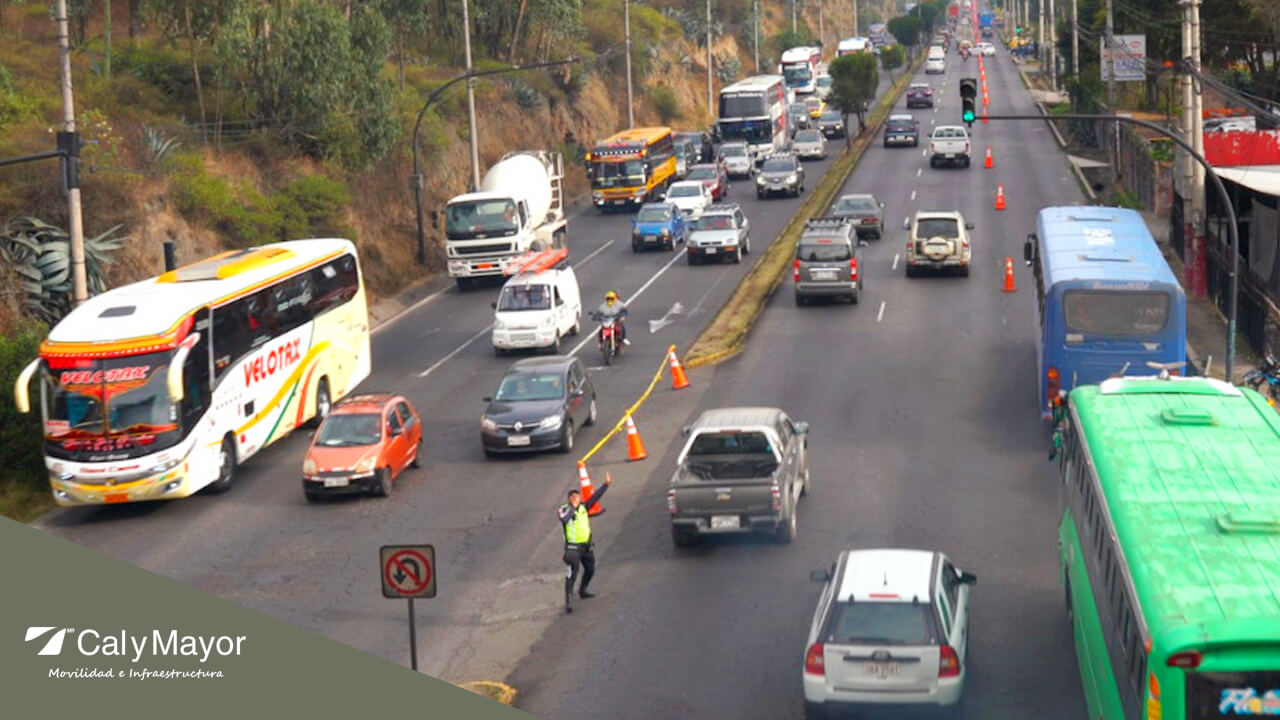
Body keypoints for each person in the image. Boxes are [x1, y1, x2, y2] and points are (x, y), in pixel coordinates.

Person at [557, 473, 612, 613]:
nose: (576, 498)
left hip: (586, 546)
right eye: (573, 497)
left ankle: (583, 590)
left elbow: (594, 498)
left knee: (591, 569)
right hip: (572, 549)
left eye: (577, 496)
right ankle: (568, 601)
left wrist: (605, 485)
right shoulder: (564, 510)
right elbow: (564, 519)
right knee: (572, 573)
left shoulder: (583, 507)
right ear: (569, 499)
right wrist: (573, 507)